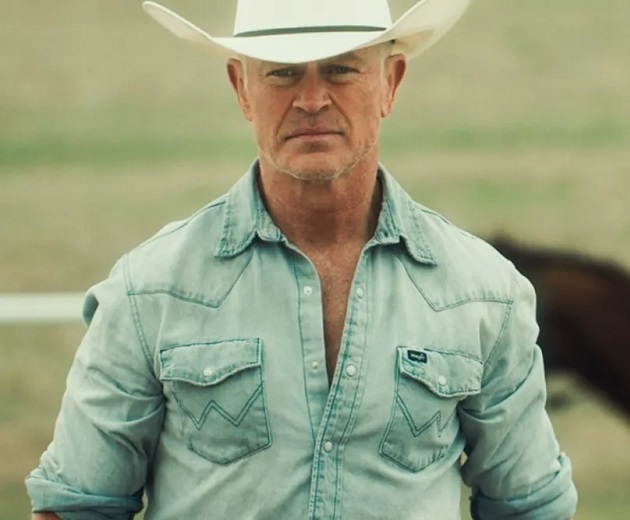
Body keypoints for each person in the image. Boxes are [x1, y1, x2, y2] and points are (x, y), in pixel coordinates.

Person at [26, 0, 577, 518]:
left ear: (390, 82)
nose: (312, 99)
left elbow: (530, 506)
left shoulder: (484, 294)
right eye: (283, 72)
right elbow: (76, 507)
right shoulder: (150, 291)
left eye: (340, 69)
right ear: (242, 88)